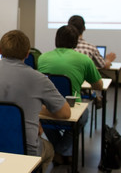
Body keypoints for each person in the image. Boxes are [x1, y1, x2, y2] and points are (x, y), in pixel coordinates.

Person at [0, 30, 71, 172]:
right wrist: (38, 110)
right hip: (24, 150)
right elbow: (65, 114)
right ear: (27, 53)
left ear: (0, 50)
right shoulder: (39, 79)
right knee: (49, 150)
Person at [38, 25, 103, 165]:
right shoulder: (84, 60)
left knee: (44, 119)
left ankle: (57, 151)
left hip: (47, 108)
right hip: (72, 108)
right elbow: (99, 86)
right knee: (82, 117)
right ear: (75, 42)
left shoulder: (43, 58)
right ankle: (63, 151)